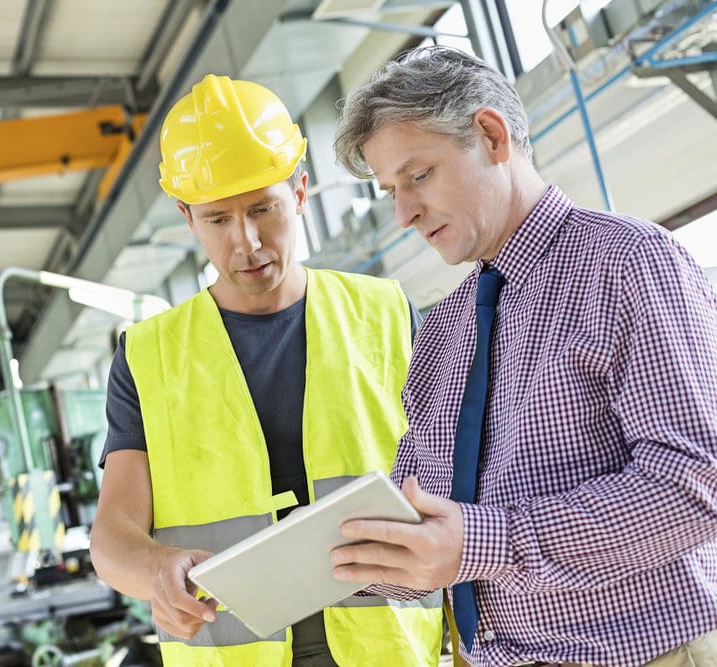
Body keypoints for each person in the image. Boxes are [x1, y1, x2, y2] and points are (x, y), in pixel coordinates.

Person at [329, 45, 717, 667]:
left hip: (648, 652)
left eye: (418, 175)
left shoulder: (629, 263)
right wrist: (336, 561)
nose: (404, 213)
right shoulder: (442, 331)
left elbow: (697, 481)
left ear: (490, 134)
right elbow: (438, 532)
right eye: (390, 191)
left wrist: (485, 542)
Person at [89, 73, 443, 666]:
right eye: (218, 220)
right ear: (187, 217)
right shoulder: (147, 357)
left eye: (263, 208)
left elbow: (455, 476)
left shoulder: (386, 313)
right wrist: (155, 571)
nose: (247, 242)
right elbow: (112, 536)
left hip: (392, 649)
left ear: (300, 191)